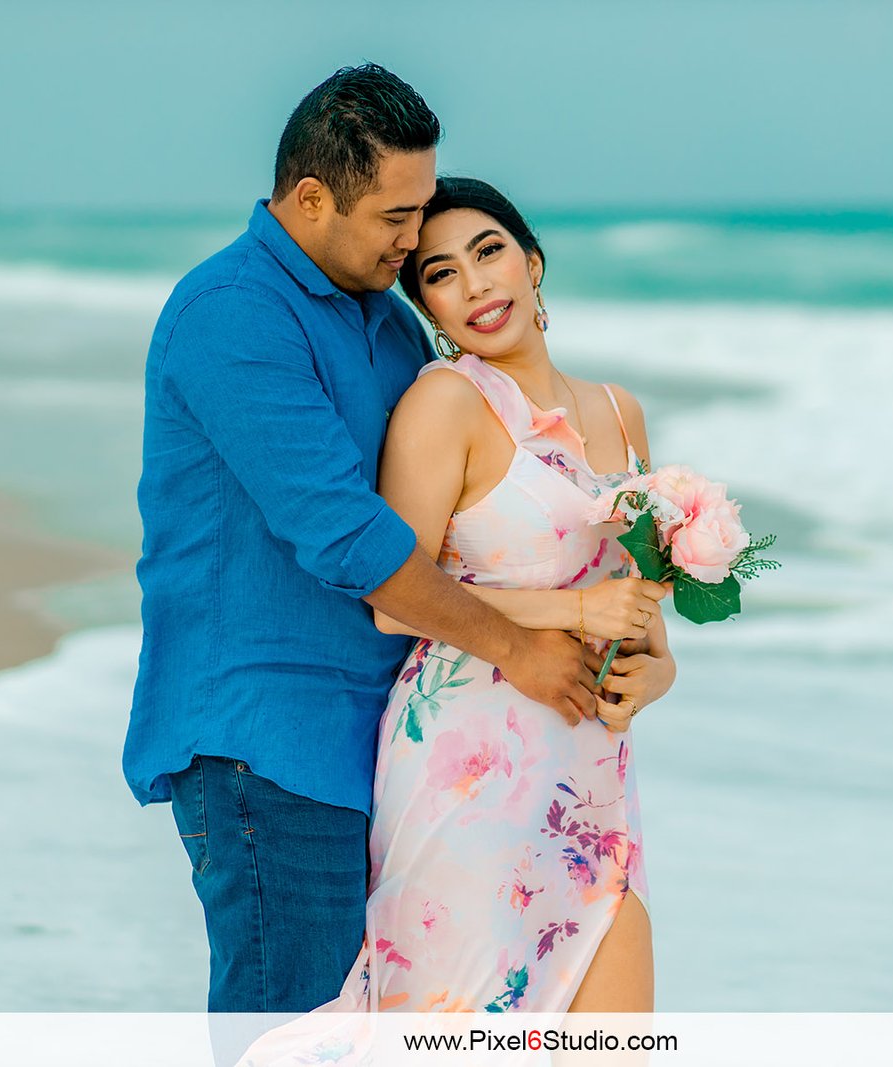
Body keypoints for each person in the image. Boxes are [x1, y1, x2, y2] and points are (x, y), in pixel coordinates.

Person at [123, 65, 605, 1033]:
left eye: (421, 209)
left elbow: (463, 521)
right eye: (396, 215)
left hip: (385, 745)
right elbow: (348, 538)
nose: (413, 238)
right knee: (291, 1038)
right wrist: (521, 646)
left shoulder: (387, 317)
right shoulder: (232, 313)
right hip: (266, 739)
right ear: (311, 198)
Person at [238, 176, 676, 1060]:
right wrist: (571, 608)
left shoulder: (621, 413)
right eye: (440, 273)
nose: (474, 285)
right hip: (470, 770)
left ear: (532, 262)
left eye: (488, 252)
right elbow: (394, 599)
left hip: (591, 775)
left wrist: (654, 673)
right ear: (428, 306)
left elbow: (642, 617)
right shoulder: (445, 404)